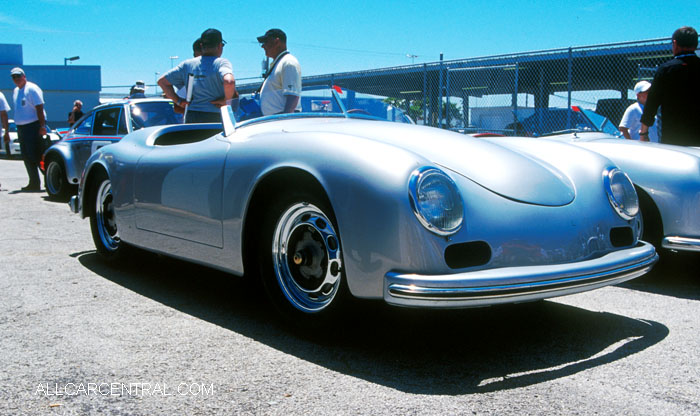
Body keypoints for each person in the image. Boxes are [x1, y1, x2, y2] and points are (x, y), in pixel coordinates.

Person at [158, 28, 236, 123]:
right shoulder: (221, 63)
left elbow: (162, 82)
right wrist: (226, 101)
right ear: (220, 45)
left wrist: (178, 101)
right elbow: (229, 82)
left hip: (192, 117)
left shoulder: (187, 65)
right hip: (217, 117)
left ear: (201, 46)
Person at [640, 26, 700, 146]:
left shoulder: (666, 70)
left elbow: (652, 102)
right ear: (695, 45)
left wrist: (644, 133)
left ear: (675, 43)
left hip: (673, 137)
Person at [11, 67, 47, 191]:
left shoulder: (32, 88)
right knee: (26, 156)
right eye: (14, 77)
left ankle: (49, 180)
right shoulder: (16, 90)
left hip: (34, 126)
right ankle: (34, 182)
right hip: (21, 128)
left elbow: (39, 108)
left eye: (18, 76)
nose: (16, 79)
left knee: (36, 155)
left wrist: (42, 126)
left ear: (24, 76)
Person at [257, 28, 302, 115]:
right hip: (275, 120)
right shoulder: (279, 63)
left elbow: (293, 96)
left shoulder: (288, 62)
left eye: (266, 42)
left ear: (277, 42)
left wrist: (285, 120)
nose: (263, 46)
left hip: (281, 120)